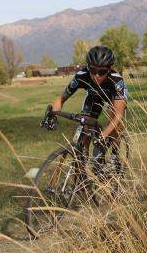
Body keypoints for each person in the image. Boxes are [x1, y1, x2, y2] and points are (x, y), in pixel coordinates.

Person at [41, 45, 128, 179]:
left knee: (115, 122)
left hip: (112, 99)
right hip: (93, 98)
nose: (96, 75)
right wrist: (54, 115)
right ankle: (83, 168)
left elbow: (118, 116)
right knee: (84, 129)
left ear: (109, 69)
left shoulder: (116, 81)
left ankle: (114, 158)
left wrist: (103, 136)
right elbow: (61, 99)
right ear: (88, 67)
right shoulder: (82, 76)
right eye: (92, 70)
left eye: (102, 71)